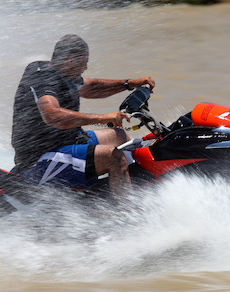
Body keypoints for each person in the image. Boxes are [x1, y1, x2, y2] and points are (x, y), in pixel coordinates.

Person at [11, 34, 155, 195]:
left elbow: (92, 87)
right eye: (84, 61)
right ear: (70, 60)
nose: (85, 67)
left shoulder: (63, 74)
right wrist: (102, 118)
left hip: (63, 142)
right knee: (113, 157)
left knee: (119, 136)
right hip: (37, 161)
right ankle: (127, 214)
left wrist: (129, 84)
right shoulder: (43, 79)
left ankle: (128, 186)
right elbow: (52, 115)